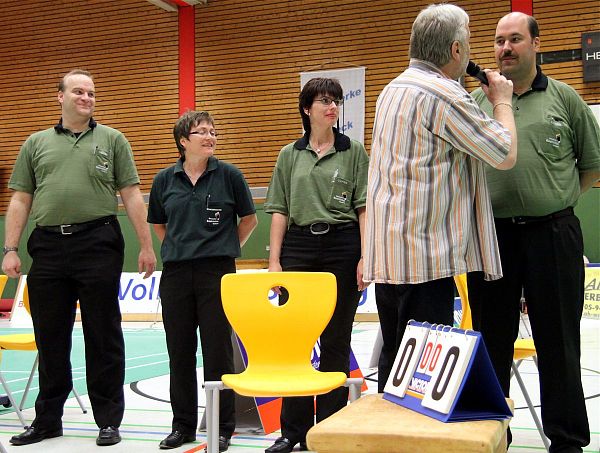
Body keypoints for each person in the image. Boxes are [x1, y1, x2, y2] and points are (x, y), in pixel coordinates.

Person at [363, 3, 519, 393]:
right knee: (421, 379)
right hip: (426, 261)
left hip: (393, 257)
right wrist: (501, 99)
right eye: (467, 43)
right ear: (454, 51)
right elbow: (504, 153)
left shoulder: (392, 89)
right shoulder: (443, 95)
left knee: (395, 367)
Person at [1, 69, 156, 446]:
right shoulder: (35, 143)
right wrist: (10, 248)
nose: (86, 97)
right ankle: (47, 420)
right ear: (60, 97)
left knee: (103, 334)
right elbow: (21, 198)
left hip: (98, 241)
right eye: (78, 91)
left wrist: (147, 245)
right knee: (50, 336)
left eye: (91, 93)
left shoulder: (113, 139)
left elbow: (132, 195)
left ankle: (108, 419)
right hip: (48, 246)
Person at [467, 13, 600, 452]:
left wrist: (553, 200)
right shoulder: (476, 103)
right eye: (499, 41)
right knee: (490, 344)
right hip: (491, 238)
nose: (505, 48)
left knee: (559, 342)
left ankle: (567, 441)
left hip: (553, 235)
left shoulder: (566, 98)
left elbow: (591, 165)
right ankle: (489, 437)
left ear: (537, 44)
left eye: (516, 39)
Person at [263, 77, 369, 453]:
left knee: (337, 340)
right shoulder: (288, 154)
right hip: (299, 247)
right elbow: (277, 209)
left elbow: (363, 208)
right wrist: (274, 261)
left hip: (343, 245)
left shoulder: (354, 150)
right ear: (307, 109)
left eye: (336, 101)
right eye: (325, 100)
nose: (333, 107)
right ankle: (293, 431)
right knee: (296, 341)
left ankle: (328, 427)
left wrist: (364, 255)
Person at [147, 110, 257, 452]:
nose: (210, 136)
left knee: (217, 352)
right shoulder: (164, 180)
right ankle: (182, 426)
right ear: (183, 141)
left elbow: (250, 219)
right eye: (202, 132)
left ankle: (223, 427)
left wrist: (224, 248)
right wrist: (181, 248)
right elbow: (159, 225)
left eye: (213, 131)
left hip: (218, 273)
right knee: (179, 352)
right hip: (177, 274)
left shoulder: (230, 176)